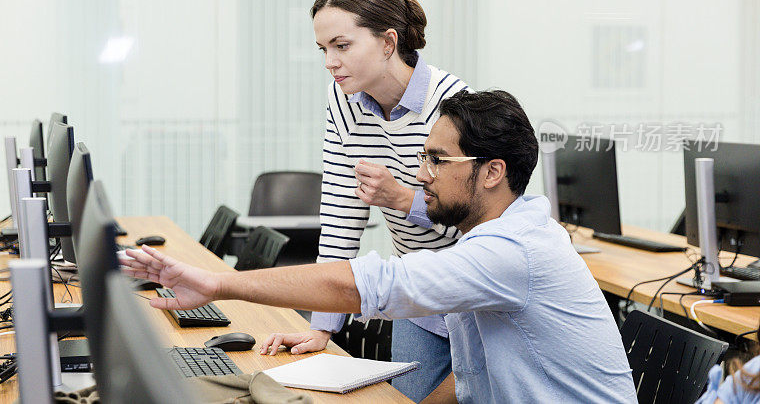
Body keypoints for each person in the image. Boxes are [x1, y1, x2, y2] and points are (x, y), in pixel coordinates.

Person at [122, 89, 638, 404]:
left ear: (492, 173)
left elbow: (371, 284)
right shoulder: (489, 245)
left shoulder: (511, 250)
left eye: (437, 160)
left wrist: (216, 283)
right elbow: (472, 381)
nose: (421, 175)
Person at [282, 0, 469, 401]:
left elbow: (477, 221)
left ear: (388, 42)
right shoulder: (342, 99)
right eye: (323, 49)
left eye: (341, 45)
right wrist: (321, 326)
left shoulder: (450, 103)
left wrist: (403, 199)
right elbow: (340, 216)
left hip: (475, 291)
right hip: (417, 289)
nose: (330, 61)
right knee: (405, 399)